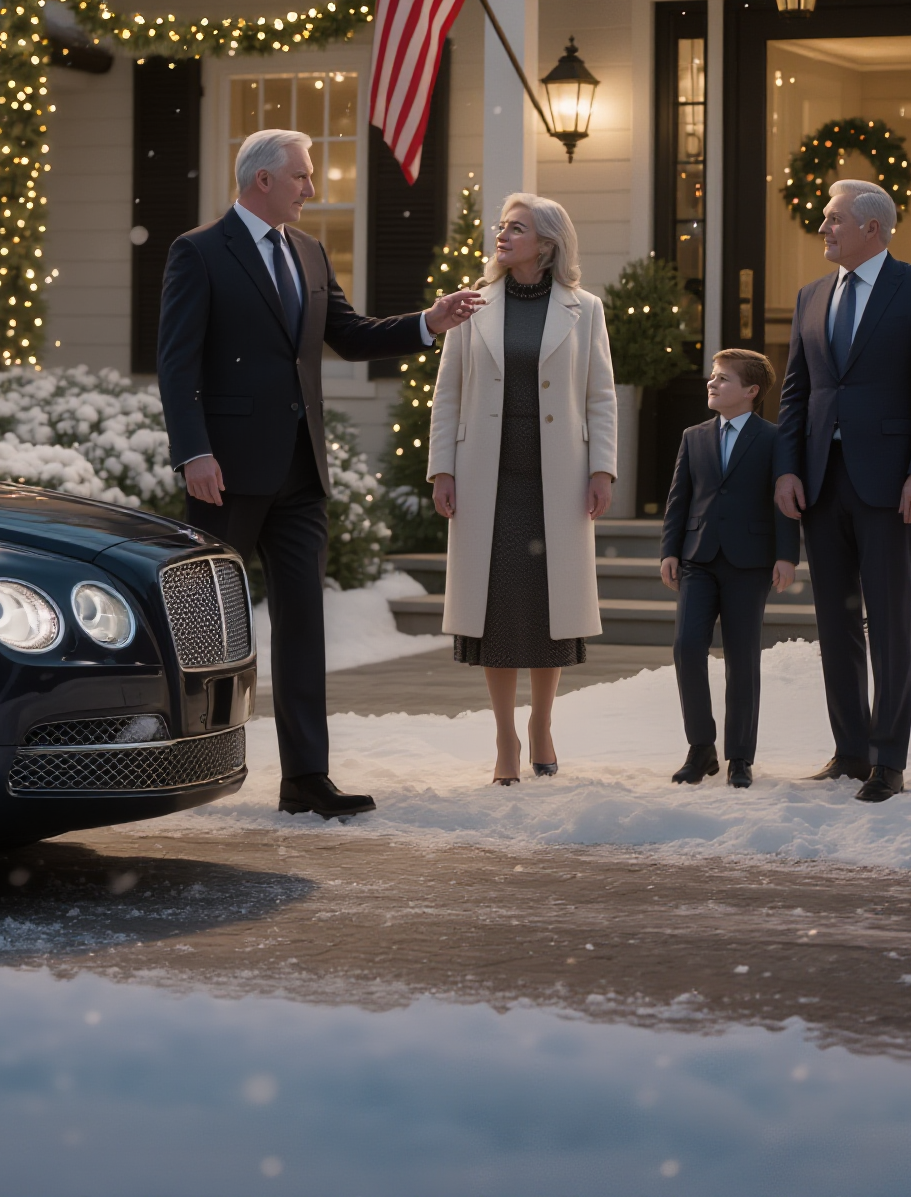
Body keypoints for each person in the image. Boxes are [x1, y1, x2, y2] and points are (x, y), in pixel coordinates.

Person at [158, 128, 481, 820]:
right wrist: (194, 452)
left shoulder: (307, 250)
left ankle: (306, 778)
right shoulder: (199, 252)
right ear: (263, 180)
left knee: (304, 626)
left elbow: (351, 334)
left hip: (302, 471)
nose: (313, 187)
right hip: (227, 472)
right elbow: (177, 363)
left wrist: (430, 321)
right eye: (302, 176)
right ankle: (182, 761)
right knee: (204, 625)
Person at [773, 178, 911, 803]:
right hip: (821, 482)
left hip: (890, 485)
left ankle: (888, 759)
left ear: (872, 228)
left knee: (889, 622)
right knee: (836, 620)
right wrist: (788, 468)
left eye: (833, 219)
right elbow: (796, 393)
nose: (823, 228)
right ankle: (849, 751)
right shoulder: (811, 296)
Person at [428, 194, 617, 785]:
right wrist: (442, 469)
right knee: (497, 611)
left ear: (548, 243)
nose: (503, 235)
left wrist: (602, 469)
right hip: (489, 478)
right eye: (502, 226)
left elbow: (600, 396)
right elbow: (449, 393)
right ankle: (506, 736)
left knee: (547, 610)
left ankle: (542, 725)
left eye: (517, 228)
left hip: (557, 480)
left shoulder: (584, 310)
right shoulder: (472, 305)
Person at [659, 348, 799, 790]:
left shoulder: (775, 438)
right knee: (686, 646)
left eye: (723, 379)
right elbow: (679, 498)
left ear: (751, 391)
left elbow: (785, 502)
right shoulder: (693, 436)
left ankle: (740, 756)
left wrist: (786, 555)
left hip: (750, 561)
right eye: (713, 377)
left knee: (742, 658)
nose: (712, 384)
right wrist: (669, 550)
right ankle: (701, 748)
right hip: (697, 557)